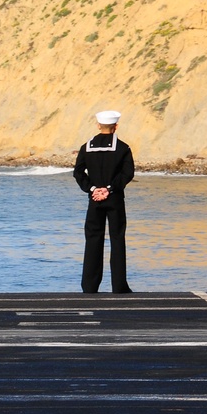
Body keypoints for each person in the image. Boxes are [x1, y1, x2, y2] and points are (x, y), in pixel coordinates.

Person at [73, 110, 135, 294]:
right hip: (115, 199)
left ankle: (89, 286)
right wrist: (109, 189)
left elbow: (78, 173)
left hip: (94, 200)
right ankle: (119, 286)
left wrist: (93, 189)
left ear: (98, 125)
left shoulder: (86, 147)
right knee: (117, 239)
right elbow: (128, 173)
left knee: (93, 239)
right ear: (116, 126)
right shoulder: (123, 148)